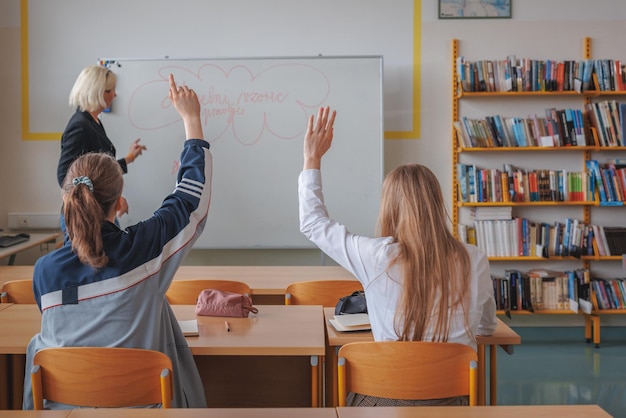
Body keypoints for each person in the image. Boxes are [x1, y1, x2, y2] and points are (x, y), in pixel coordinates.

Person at [23, 74, 211, 409]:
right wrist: (192, 122)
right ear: (118, 197)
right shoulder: (142, 252)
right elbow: (189, 200)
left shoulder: (44, 272)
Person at [298, 107, 497, 407]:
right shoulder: (475, 259)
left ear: (389, 208)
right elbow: (487, 328)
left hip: (382, 403)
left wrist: (312, 160)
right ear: (436, 204)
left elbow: (313, 223)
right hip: (451, 403)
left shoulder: (376, 257)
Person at [57, 64, 147, 218]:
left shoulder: (92, 122)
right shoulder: (80, 126)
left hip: (98, 212)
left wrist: (129, 158)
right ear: (98, 92)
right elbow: (65, 177)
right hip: (85, 217)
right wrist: (111, 198)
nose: (115, 95)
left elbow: (98, 171)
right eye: (111, 90)